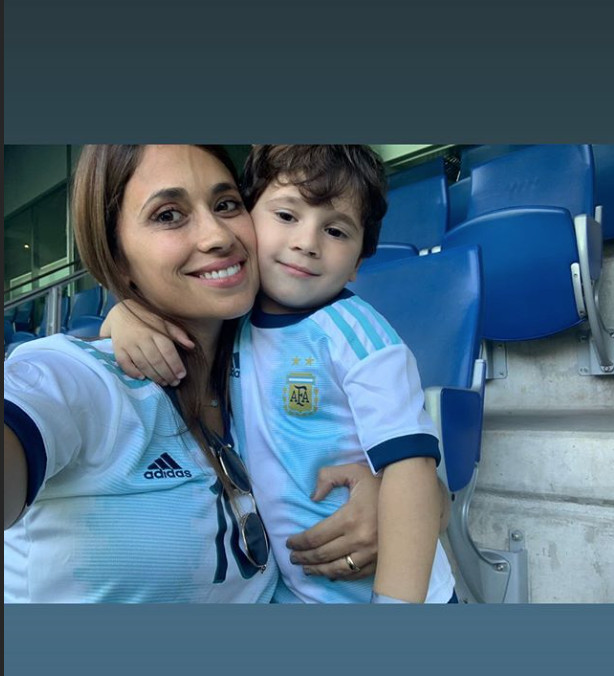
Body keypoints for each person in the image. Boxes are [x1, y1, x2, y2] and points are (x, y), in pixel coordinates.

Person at [4, 144, 381, 603]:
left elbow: (413, 457)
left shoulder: (272, 367)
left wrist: (401, 502)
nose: (217, 235)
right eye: (168, 215)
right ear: (117, 256)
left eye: (226, 205)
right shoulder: (77, 377)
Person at [104, 145, 457, 604]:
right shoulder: (234, 324)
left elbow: (411, 471)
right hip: (295, 593)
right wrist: (125, 316)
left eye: (334, 230)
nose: (306, 242)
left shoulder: (358, 334)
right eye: (286, 216)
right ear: (249, 220)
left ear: (358, 262)